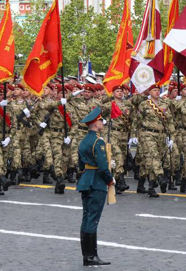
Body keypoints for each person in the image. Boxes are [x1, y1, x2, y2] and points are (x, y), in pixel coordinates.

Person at [77, 107, 113, 267]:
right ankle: (91, 256)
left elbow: (80, 165)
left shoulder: (84, 141)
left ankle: (87, 255)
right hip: (96, 181)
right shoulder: (98, 141)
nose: (102, 123)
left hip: (85, 181)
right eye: (100, 120)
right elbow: (102, 167)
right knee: (93, 219)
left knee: (86, 218)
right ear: (94, 124)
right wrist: (110, 179)